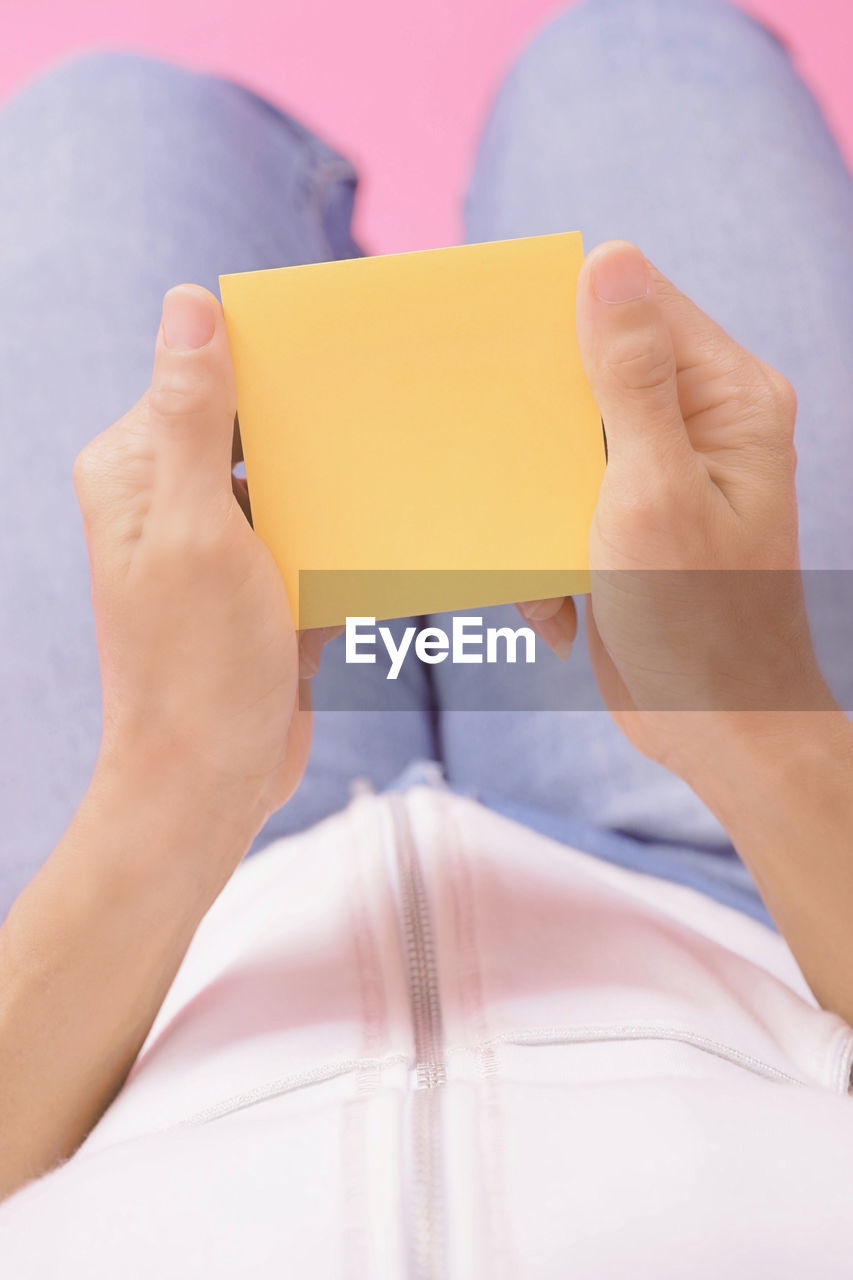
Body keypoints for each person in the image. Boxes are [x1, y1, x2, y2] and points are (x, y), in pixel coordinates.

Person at [1, 0, 853, 1273]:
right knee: (646, 48)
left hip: (146, 934)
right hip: (749, 900)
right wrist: (758, 722)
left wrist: (170, 782)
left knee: (104, 116)